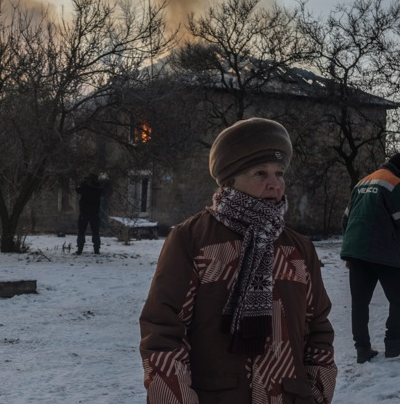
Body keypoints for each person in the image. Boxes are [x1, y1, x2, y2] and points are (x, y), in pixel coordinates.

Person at [139, 118, 337, 404]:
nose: (275, 184)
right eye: (260, 173)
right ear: (230, 180)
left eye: (279, 173)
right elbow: (164, 331)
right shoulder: (193, 239)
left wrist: (316, 394)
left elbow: (318, 329)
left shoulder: (298, 248)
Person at [340, 152, 400, 364]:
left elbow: (346, 218)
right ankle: (393, 342)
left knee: (360, 303)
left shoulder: (362, 182)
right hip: (383, 252)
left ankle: (362, 349)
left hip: (357, 252)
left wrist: (350, 252)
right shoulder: (394, 182)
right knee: (399, 299)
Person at [76, 173, 106, 255]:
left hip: (84, 212)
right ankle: (96, 250)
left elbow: (78, 190)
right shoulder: (98, 187)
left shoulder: (85, 186)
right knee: (95, 232)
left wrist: (83, 182)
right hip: (94, 212)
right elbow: (104, 192)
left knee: (81, 231)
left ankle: (80, 249)